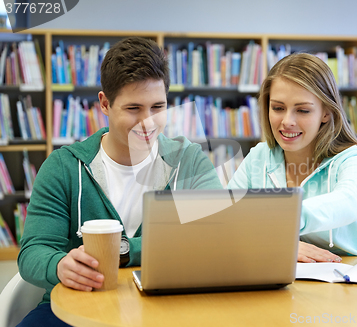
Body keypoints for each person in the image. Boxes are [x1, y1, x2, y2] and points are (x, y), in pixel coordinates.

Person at [17, 37, 222, 326]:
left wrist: (123, 252)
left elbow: (214, 239)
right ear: (104, 103)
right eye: (133, 109)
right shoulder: (62, 167)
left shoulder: (189, 161)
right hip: (77, 307)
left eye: (158, 107)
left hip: (167, 308)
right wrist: (59, 265)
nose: (148, 123)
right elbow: (33, 252)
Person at [227, 53, 357, 262]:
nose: (287, 121)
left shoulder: (354, 159)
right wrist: (280, 244)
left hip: (351, 280)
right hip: (285, 281)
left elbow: (348, 202)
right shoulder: (259, 157)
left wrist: (277, 228)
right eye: (278, 108)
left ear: (326, 113)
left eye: (303, 110)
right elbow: (228, 218)